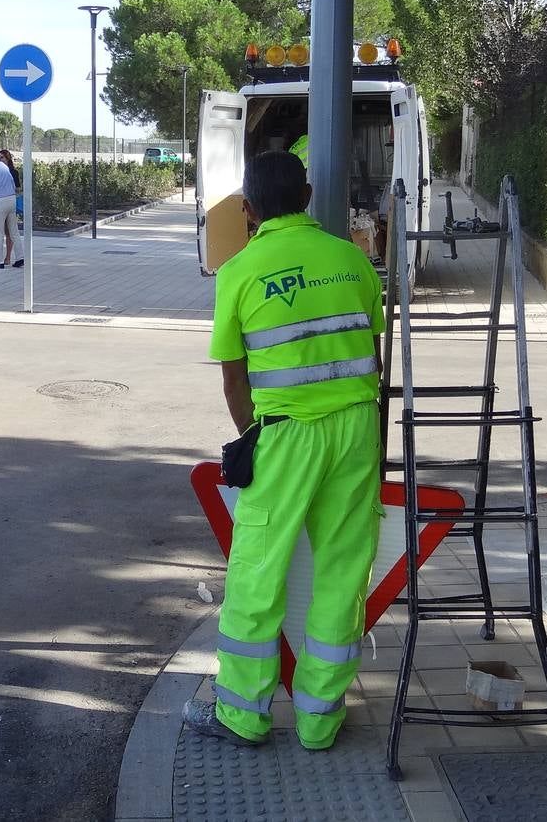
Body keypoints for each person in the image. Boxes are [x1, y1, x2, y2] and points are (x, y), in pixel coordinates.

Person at [180, 150, 385, 753]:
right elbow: (370, 349)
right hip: (355, 430)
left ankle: (243, 715)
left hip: (285, 437)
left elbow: (233, 379)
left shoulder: (239, 272)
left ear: (247, 209)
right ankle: (321, 719)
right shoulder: (352, 259)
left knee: (256, 574)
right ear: (308, 194)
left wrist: (253, 436)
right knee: (344, 572)